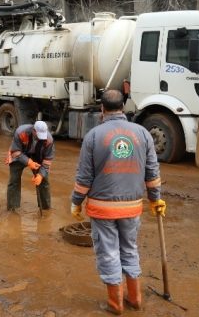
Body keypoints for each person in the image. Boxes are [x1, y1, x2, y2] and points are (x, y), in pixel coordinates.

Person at [70, 89, 166, 315]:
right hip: (132, 207)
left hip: (102, 210)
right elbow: (152, 173)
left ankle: (115, 305)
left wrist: (76, 202)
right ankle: (136, 299)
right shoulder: (142, 133)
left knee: (109, 254)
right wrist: (156, 199)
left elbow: (84, 177)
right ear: (123, 107)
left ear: (102, 109)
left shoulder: (93, 136)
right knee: (130, 250)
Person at [5, 120, 54, 211]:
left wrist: (40, 175)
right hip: (20, 153)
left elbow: (47, 160)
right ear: (34, 131)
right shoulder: (21, 132)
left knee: (43, 181)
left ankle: (45, 208)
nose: (41, 138)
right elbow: (15, 151)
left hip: (38, 156)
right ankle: (12, 207)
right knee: (14, 180)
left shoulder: (49, 140)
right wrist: (29, 162)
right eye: (39, 135)